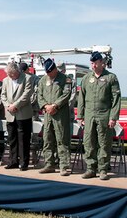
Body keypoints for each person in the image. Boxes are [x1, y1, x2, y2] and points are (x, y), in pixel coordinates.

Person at [77, 51, 121, 181]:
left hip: (104, 115)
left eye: (96, 63)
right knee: (89, 142)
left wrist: (113, 117)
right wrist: (80, 116)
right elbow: (81, 98)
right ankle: (90, 168)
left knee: (104, 143)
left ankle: (103, 169)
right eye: (92, 63)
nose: (93, 65)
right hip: (89, 115)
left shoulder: (111, 78)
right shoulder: (86, 78)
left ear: (102, 62)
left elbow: (116, 99)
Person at [37, 58, 72, 176]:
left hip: (60, 115)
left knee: (62, 140)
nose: (48, 74)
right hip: (47, 115)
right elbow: (39, 95)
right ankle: (49, 165)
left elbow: (66, 94)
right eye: (47, 72)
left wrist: (55, 106)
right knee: (47, 139)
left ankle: (64, 166)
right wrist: (46, 106)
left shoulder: (65, 79)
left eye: (50, 72)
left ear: (55, 69)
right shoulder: (43, 80)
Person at [1, 62, 33, 171]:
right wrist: (8, 105)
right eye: (8, 74)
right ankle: (13, 161)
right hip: (10, 114)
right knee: (12, 139)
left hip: (23, 114)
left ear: (17, 71)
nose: (10, 76)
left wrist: (16, 105)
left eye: (11, 74)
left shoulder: (27, 78)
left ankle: (24, 163)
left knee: (23, 140)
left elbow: (27, 94)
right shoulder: (6, 81)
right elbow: (3, 95)